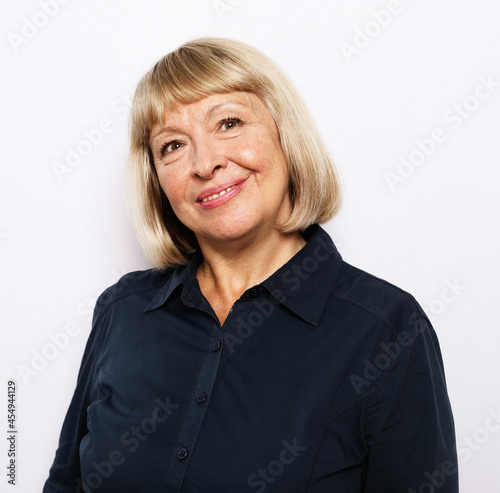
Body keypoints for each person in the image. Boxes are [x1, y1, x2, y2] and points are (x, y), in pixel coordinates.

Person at [44, 38, 458, 492]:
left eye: (228, 122)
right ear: (158, 180)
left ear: (285, 133)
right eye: (172, 146)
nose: (205, 163)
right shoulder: (122, 311)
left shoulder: (387, 329)